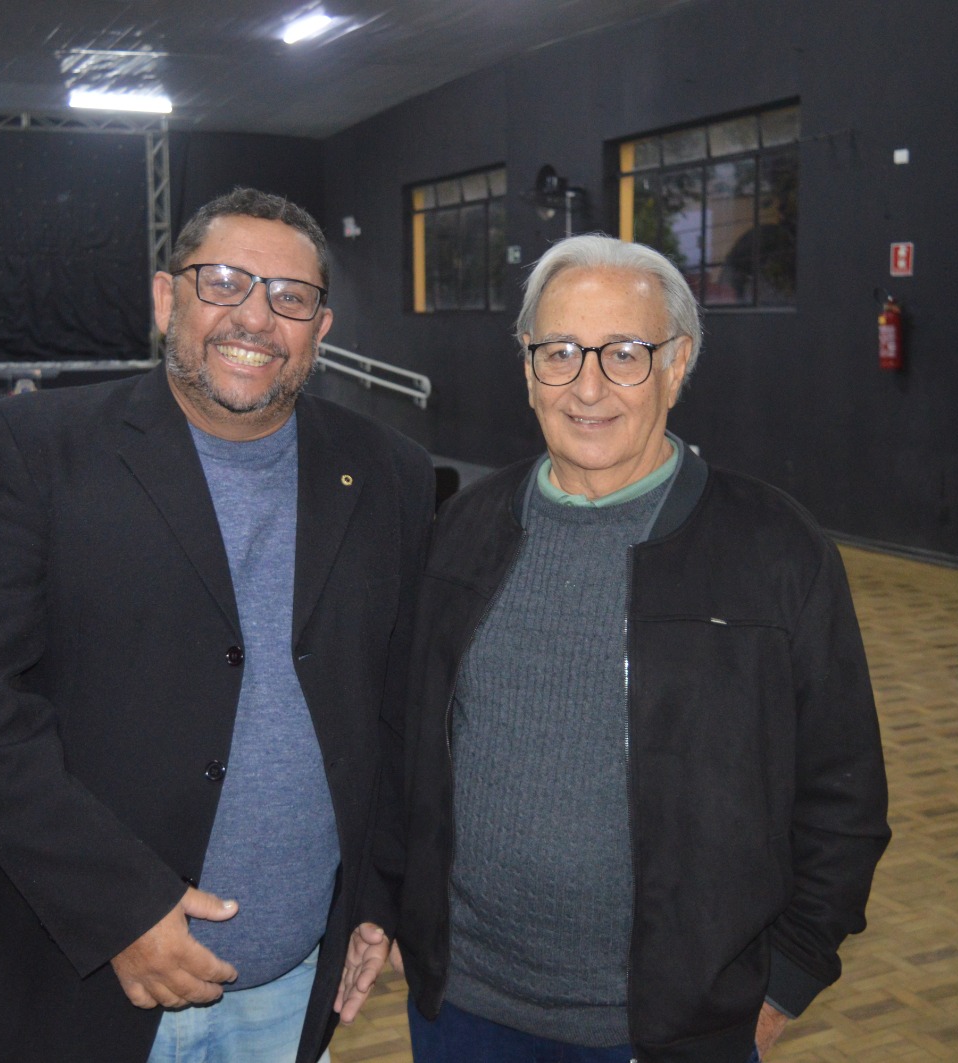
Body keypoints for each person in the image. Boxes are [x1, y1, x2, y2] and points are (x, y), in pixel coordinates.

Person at [0, 188, 433, 1063]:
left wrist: (379, 893)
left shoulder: (390, 474)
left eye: (290, 297)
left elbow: (396, 709)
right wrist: (118, 906)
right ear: (165, 298)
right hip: (82, 977)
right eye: (224, 281)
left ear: (321, 328)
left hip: (291, 982)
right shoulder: (34, 449)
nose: (255, 317)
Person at [363, 235, 891, 1063]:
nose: (588, 386)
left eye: (625, 353)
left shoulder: (774, 550)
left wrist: (786, 978)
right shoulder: (462, 530)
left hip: (674, 1030)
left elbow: (843, 793)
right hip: (466, 1011)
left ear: (678, 364)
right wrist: (392, 901)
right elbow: (404, 744)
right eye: (560, 351)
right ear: (528, 367)